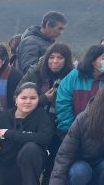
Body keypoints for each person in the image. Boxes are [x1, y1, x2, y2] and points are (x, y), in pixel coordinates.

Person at [51, 83, 104, 185]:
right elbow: (65, 154)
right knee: (81, 171)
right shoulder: (84, 118)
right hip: (80, 164)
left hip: (102, 165)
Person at [18, 43, 74, 184]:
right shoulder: (35, 73)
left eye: (60, 58)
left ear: (67, 60)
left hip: (61, 125)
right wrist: (43, 99)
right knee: (30, 153)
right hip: (35, 124)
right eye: (51, 57)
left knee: (56, 161)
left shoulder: (72, 77)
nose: (54, 61)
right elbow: (17, 96)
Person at [0, 82, 53, 185]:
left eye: (33, 98)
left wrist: (9, 134)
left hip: (27, 170)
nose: (28, 101)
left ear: (38, 99)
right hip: (2, 167)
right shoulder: (2, 118)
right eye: (23, 98)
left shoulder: (41, 115)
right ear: (16, 99)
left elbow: (45, 138)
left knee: (31, 148)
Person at [56, 44, 104, 133]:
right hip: (76, 130)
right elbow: (63, 103)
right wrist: (68, 129)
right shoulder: (75, 76)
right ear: (92, 60)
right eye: (103, 58)